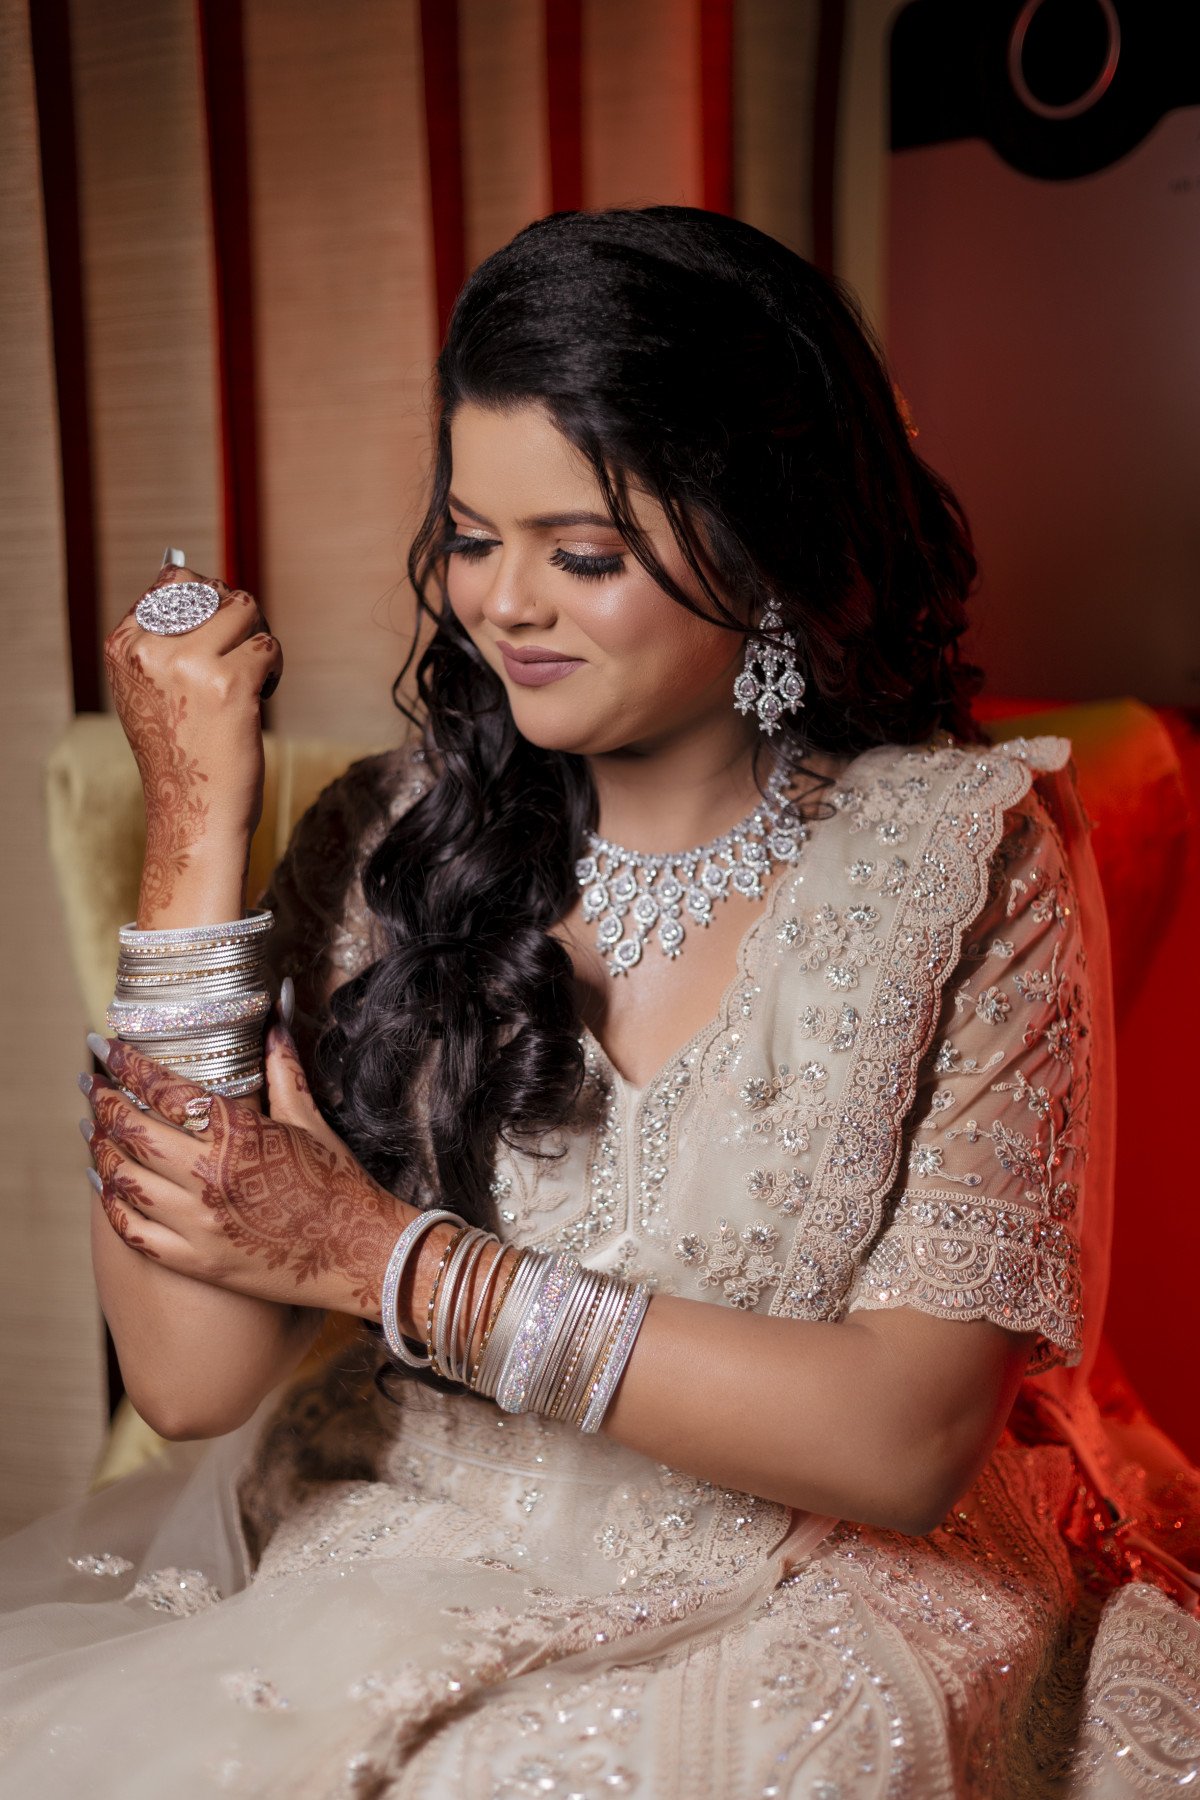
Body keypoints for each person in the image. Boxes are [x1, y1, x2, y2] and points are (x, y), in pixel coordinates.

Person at [0, 205, 1196, 1797]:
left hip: (821, 1580)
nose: (503, 606)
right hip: (408, 1544)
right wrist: (194, 822)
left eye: (582, 555)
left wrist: (380, 1261)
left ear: (763, 548)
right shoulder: (393, 839)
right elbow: (189, 1380)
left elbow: (902, 1443)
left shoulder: (962, 859)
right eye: (471, 538)